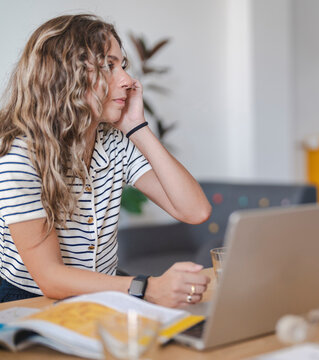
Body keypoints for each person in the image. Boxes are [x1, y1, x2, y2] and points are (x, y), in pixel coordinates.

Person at [0, 14, 213, 306]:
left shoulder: (114, 143)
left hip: (103, 288)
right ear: (65, 75)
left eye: (122, 66)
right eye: (108, 66)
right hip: (28, 298)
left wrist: (137, 128)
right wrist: (147, 287)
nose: (128, 80)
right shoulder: (19, 157)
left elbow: (195, 211)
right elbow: (50, 277)